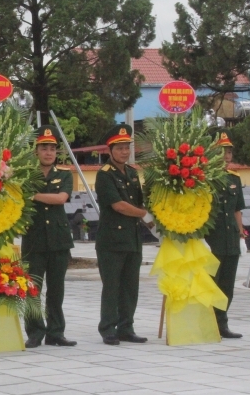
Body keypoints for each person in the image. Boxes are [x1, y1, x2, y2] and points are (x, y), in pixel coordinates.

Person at [95, 124, 155, 346]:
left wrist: (153, 220)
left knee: (130, 286)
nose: (123, 151)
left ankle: (126, 327)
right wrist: (144, 214)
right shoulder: (104, 175)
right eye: (119, 148)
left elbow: (139, 201)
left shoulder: (131, 172)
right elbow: (119, 206)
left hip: (132, 238)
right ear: (109, 150)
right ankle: (108, 328)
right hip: (111, 240)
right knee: (112, 286)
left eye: (126, 147)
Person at [23, 127, 76, 348]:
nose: (48, 152)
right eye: (44, 148)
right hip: (34, 239)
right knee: (32, 288)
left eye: (52, 149)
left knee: (56, 289)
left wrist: (33, 195)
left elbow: (61, 198)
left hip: (58, 239)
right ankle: (35, 332)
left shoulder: (64, 174)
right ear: (36, 151)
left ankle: (56, 332)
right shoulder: (26, 175)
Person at [205, 131, 246, 339]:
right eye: (222, 151)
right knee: (212, 282)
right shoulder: (205, 178)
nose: (226, 155)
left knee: (227, 284)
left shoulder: (234, 178)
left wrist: (241, 233)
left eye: (229, 151)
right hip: (213, 238)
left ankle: (222, 324)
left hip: (231, 238)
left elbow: (237, 209)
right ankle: (208, 323)